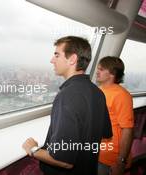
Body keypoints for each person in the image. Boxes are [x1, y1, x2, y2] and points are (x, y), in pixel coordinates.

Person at [22, 36, 112, 175]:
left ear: (72, 59)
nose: (52, 60)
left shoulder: (67, 96)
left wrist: (33, 149)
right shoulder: (98, 92)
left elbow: (64, 161)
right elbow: (105, 133)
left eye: (57, 55)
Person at [96, 56, 134, 175]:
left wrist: (121, 161)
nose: (97, 72)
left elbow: (127, 129)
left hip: (110, 159)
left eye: (101, 69)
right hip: (95, 153)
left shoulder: (122, 95)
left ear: (112, 73)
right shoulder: (98, 90)